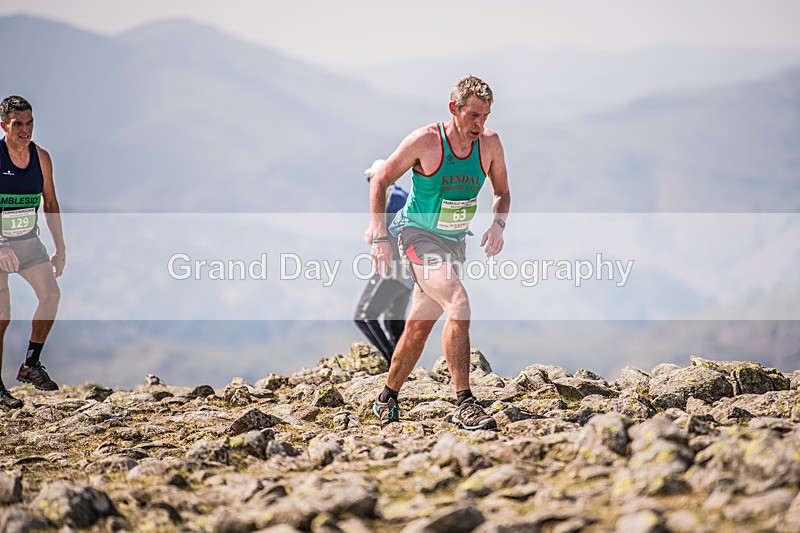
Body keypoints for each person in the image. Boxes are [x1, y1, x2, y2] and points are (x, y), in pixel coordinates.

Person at [369, 76, 510, 430]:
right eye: (474, 115)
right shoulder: (427, 141)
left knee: (418, 328)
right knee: (458, 303)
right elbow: (381, 179)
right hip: (417, 238)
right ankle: (464, 403)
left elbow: (502, 192)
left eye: (486, 116)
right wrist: (380, 237)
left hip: (454, 243)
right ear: (454, 109)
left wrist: (498, 225)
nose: (481, 124)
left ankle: (386, 397)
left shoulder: (490, 145)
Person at [0, 96, 66, 409]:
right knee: (2, 317)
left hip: (28, 243)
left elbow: (50, 204)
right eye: (17, 125)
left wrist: (60, 248)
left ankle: (30, 365)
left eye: (29, 123)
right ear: (4, 126)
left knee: (51, 294)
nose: (25, 130)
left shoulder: (42, 157)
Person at [354, 158, 411, 363]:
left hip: (392, 270)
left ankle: (391, 364)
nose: (371, 185)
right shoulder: (405, 196)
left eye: (372, 180)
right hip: (411, 273)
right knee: (394, 324)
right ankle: (404, 369)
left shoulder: (391, 197)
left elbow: (371, 236)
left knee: (364, 315)